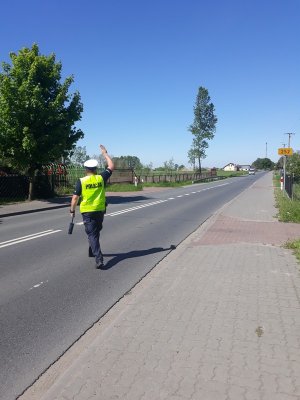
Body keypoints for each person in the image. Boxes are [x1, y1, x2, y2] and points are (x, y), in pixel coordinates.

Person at [70, 144, 114, 269]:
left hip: (87, 212)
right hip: (100, 210)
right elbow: (111, 166)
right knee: (95, 232)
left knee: (92, 234)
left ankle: (98, 258)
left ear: (86, 169)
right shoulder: (101, 178)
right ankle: (94, 252)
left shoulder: (81, 181)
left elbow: (74, 198)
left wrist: (71, 210)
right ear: (95, 168)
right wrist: (105, 153)